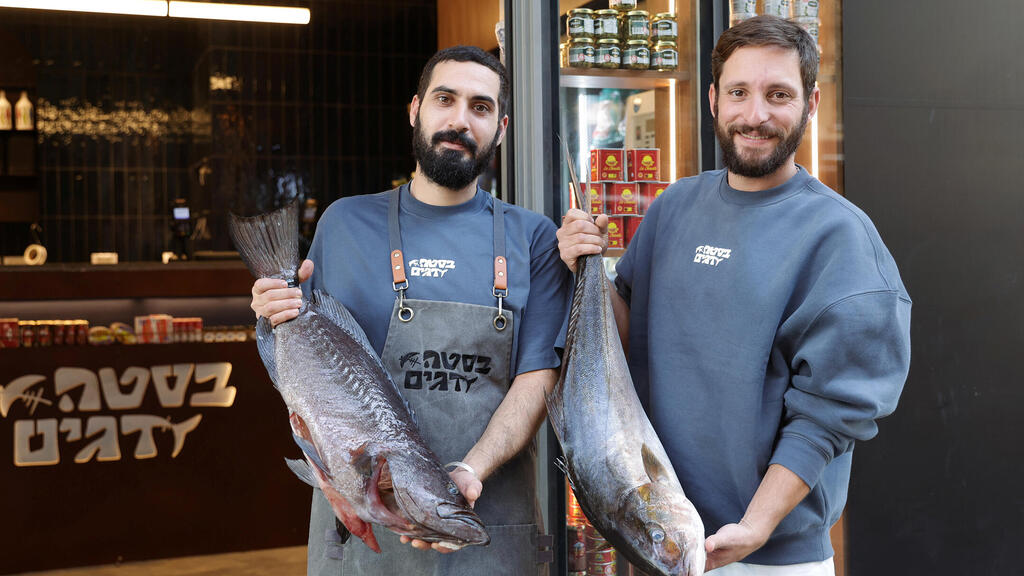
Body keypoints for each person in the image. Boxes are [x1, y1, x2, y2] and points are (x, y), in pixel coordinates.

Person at [557, 15, 911, 576]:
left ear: (811, 104)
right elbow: (626, 334)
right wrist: (588, 270)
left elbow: (828, 416)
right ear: (714, 100)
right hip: (657, 537)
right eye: (739, 93)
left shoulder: (840, 239)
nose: (756, 115)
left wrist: (758, 527)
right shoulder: (674, 206)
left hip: (766, 559)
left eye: (778, 95)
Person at [250, 46, 570, 575]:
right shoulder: (345, 224)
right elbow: (304, 382)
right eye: (445, 99)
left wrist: (469, 470)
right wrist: (272, 314)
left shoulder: (533, 236)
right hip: (362, 530)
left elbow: (540, 377)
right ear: (416, 109)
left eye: (481, 107)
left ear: (502, 127)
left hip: (486, 519)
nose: (459, 120)